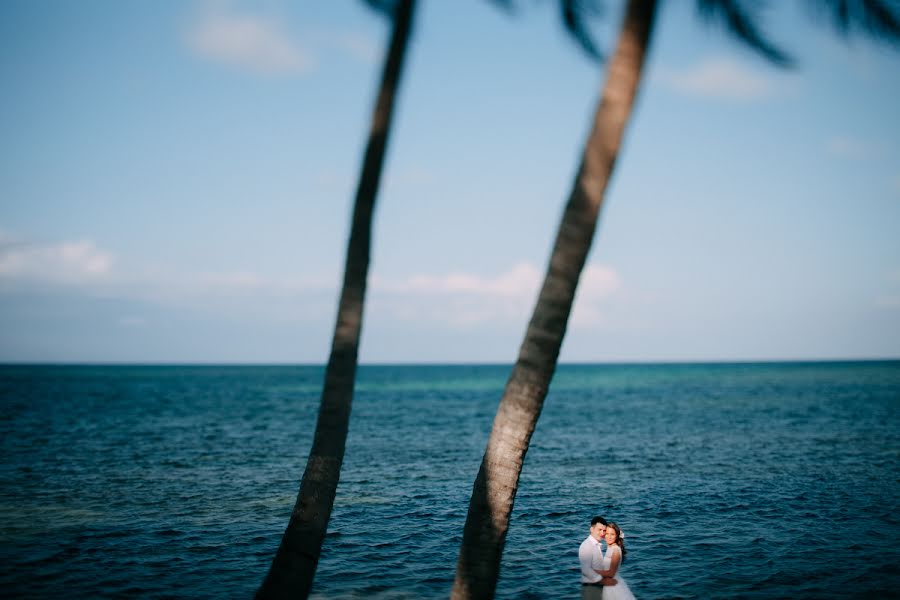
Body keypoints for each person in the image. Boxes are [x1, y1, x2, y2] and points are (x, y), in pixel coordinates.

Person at [578, 516, 617, 599]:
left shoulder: (596, 545)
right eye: (599, 530)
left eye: (604, 531)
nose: (602, 533)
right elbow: (585, 570)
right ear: (591, 529)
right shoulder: (587, 546)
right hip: (591, 587)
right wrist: (604, 581)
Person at [597, 522, 635, 600]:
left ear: (617, 536)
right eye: (607, 534)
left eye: (612, 534)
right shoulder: (610, 548)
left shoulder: (615, 551)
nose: (609, 537)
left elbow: (611, 573)